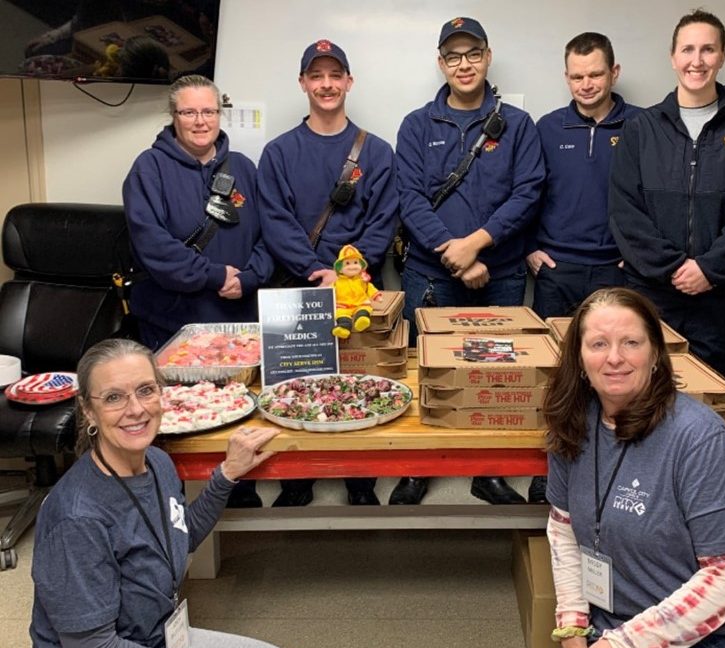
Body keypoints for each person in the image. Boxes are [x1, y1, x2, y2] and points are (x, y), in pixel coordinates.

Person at [543, 287, 725, 648]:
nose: (614, 358)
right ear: (578, 357)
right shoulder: (573, 424)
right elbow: (564, 533)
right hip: (618, 622)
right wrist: (573, 636)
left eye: (631, 343)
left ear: (656, 354)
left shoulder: (702, 440)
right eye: (598, 344)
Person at [24, 339, 297, 648]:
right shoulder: (76, 517)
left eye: (145, 390)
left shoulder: (157, 462)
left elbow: (180, 537)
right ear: (88, 410)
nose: (136, 409)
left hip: (154, 639)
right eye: (113, 397)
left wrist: (226, 475)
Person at [391, 16, 545, 506]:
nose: (464, 64)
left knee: (498, 378)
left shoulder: (516, 125)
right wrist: (454, 256)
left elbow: (528, 194)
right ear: (441, 63)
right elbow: (410, 199)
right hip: (431, 274)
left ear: (487, 57)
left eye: (472, 54)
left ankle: (489, 470)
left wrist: (475, 243)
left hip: (499, 274)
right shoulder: (417, 125)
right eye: (453, 56)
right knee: (426, 372)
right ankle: (417, 467)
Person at [257, 39, 398, 508]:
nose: (326, 84)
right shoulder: (278, 153)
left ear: (349, 82)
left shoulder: (375, 152)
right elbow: (275, 221)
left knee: (359, 380)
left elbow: (384, 220)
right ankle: (296, 481)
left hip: (359, 292)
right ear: (303, 84)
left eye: (334, 75)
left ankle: (361, 479)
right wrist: (318, 270)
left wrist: (346, 276)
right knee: (298, 386)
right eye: (316, 76)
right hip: (298, 287)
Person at [609, 9, 725, 391]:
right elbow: (625, 214)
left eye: (707, 50)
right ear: (673, 57)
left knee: (717, 405)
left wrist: (709, 270)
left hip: (723, 299)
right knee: (641, 399)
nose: (696, 61)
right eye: (688, 49)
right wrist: (671, 267)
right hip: (652, 296)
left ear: (722, 57)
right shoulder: (641, 129)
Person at [525, 31, 641, 505]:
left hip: (617, 274)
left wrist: (638, 252)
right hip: (557, 269)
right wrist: (531, 247)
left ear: (614, 72)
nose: (586, 84)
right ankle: (547, 473)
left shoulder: (643, 125)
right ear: (566, 76)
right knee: (556, 377)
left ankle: (613, 473)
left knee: (617, 380)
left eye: (595, 74)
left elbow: (652, 197)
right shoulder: (547, 128)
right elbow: (527, 192)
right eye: (577, 76)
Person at [123, 74, 273, 352]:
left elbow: (270, 234)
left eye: (208, 111)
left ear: (219, 114)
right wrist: (214, 275)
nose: (200, 121)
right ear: (173, 116)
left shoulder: (244, 167)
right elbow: (153, 246)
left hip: (242, 324)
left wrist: (252, 277)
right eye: (189, 112)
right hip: (172, 326)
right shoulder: (149, 168)